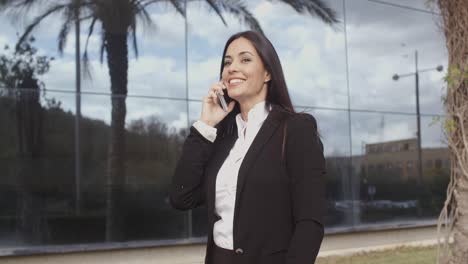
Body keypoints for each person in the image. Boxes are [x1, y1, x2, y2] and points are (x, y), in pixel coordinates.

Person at [169, 30, 326, 264]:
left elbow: (310, 221)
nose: (232, 68)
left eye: (245, 59)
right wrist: (205, 125)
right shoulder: (222, 137)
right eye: (227, 62)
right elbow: (182, 197)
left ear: (267, 73)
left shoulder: (296, 129)